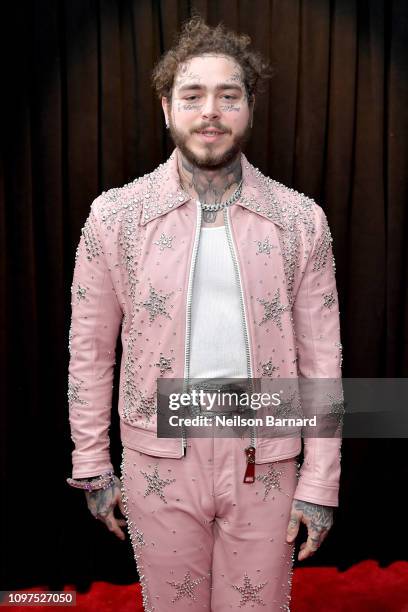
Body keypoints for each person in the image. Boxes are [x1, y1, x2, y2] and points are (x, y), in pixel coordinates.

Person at [66, 17, 342, 611]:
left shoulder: (300, 221)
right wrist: (91, 462)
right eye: (193, 96)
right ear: (167, 107)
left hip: (265, 457)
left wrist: (320, 480)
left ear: (249, 108)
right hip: (156, 460)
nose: (210, 111)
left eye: (229, 96)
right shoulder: (115, 218)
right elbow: (90, 351)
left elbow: (323, 362)